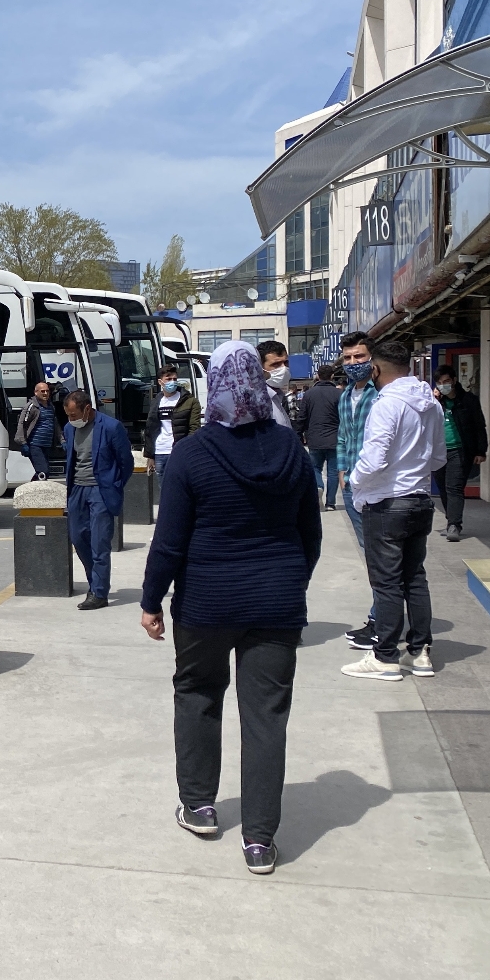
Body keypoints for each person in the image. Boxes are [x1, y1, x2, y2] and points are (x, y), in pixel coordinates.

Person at [139, 341, 321, 876]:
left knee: (197, 693)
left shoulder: (194, 454)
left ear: (212, 385)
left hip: (206, 604)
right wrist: (288, 582)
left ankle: (198, 806)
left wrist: (151, 600)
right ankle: (261, 840)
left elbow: (170, 541)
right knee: (266, 716)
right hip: (276, 604)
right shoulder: (293, 451)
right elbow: (309, 536)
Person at [342, 340, 445, 682]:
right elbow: (439, 457)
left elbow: (373, 459)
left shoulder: (386, 405)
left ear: (375, 369)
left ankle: (385, 655)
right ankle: (420, 652)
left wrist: (355, 483)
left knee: (386, 583)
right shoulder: (430, 404)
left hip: (386, 503)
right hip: (419, 499)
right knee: (415, 578)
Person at [62, 388, 133, 610]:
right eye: (68, 415)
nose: (71, 419)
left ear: (87, 409)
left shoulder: (111, 427)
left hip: (101, 491)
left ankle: (99, 593)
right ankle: (95, 584)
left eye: (74, 415)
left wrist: (115, 485)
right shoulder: (69, 428)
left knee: (99, 542)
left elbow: (126, 462)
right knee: (78, 537)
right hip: (77, 491)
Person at [334, 332, 379, 648]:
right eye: (348, 358)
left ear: (372, 359)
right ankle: (382, 615)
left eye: (359, 357)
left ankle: (381, 619)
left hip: (376, 488)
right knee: (369, 553)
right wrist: (340, 471)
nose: (354, 364)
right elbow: (343, 437)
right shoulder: (345, 395)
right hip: (351, 487)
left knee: (380, 556)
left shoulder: (382, 395)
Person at [431, 365, 488, 543]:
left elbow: (479, 426)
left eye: (446, 382)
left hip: (459, 450)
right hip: (438, 451)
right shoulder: (435, 402)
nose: (443, 386)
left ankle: (454, 524)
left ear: (454, 381)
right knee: (443, 487)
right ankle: (451, 520)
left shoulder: (468, 400)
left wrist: (480, 450)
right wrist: (431, 400)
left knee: (454, 487)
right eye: (440, 383)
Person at [296, 362, 343, 509]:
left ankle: (318, 487)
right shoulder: (340, 394)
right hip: (335, 438)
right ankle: (331, 503)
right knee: (333, 472)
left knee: (315, 467)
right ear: (332, 376)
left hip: (314, 438)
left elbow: (302, 417)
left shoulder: (309, 394)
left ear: (317, 376)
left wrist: (298, 434)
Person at [144, 364, 201, 480]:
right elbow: (150, 428)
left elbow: (194, 428)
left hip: (178, 452)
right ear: (160, 382)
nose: (172, 382)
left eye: (175, 379)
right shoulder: (156, 401)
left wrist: (187, 451)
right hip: (160, 451)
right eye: (168, 379)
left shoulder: (189, 401)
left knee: (178, 487)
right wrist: (150, 456)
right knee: (163, 490)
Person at [13, 380, 59, 480]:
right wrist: (23, 443)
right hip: (35, 444)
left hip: (46, 445)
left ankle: (33, 490)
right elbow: (22, 424)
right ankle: (32, 492)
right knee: (42, 472)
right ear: (36, 392)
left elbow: (55, 425)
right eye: (42, 391)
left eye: (47, 391)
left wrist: (62, 440)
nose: (45, 393)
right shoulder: (31, 407)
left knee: (45, 472)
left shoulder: (51, 407)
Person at [256, 339, 293, 428]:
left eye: (285, 362)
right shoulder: (258, 402)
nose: (284, 368)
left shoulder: (279, 397)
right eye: (276, 364)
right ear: (260, 367)